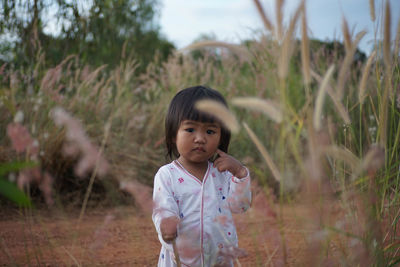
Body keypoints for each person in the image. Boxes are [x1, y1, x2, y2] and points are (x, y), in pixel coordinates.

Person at [152, 85, 251, 267]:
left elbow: (240, 206)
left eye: (210, 131)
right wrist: (166, 225)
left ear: (221, 137)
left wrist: (240, 173)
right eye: (190, 129)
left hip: (219, 260)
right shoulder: (167, 175)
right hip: (181, 260)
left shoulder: (224, 173)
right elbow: (163, 209)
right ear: (174, 134)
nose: (200, 138)